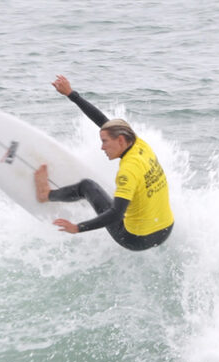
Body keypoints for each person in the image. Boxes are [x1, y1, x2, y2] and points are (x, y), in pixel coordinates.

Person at [35, 75, 174, 251]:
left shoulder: (128, 170)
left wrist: (78, 228)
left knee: (87, 186)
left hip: (136, 240)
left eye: (105, 141)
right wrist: (71, 94)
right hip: (166, 230)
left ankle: (45, 194)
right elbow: (102, 121)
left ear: (121, 140)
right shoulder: (140, 144)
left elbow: (116, 214)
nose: (102, 147)